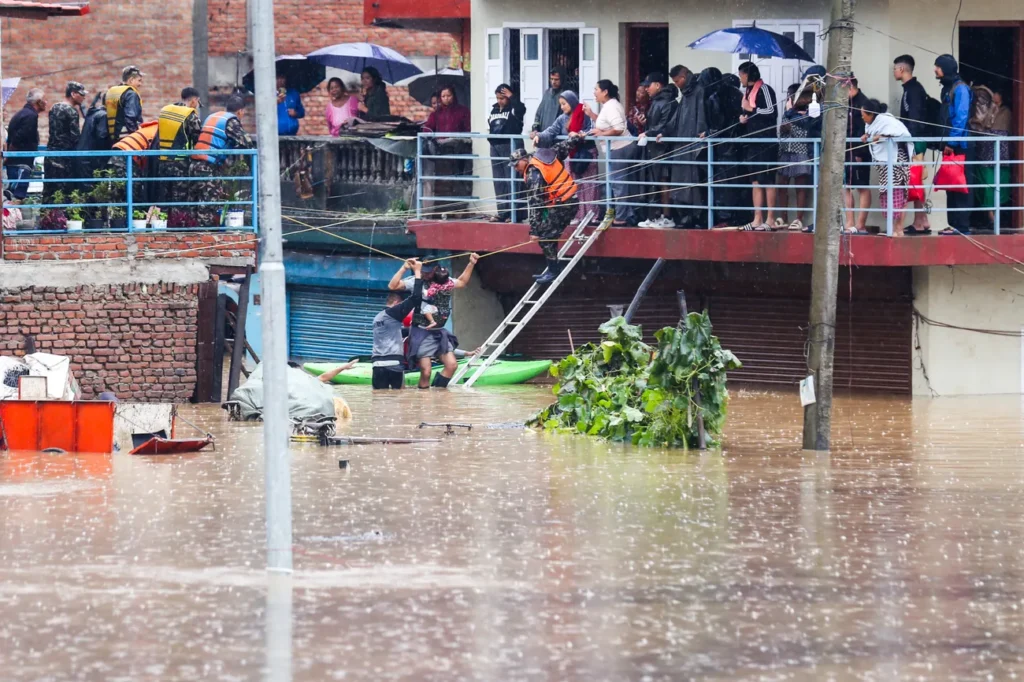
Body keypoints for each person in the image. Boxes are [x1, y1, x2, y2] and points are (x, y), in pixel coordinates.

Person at [389, 255, 480, 389]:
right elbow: (392, 286)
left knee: (452, 365)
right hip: (421, 331)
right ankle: (424, 400)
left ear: (436, 269)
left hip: (439, 331)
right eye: (423, 269)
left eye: (429, 270)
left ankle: (438, 394)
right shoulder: (416, 281)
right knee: (426, 372)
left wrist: (471, 263)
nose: (425, 272)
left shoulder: (446, 282)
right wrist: (404, 267)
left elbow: (462, 282)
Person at [510, 132, 585, 284]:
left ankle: (553, 271)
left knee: (545, 236)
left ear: (524, 160)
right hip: (569, 201)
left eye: (516, 165)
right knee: (550, 232)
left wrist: (534, 231)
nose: (515, 169)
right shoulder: (545, 155)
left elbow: (535, 203)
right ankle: (553, 267)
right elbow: (564, 146)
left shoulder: (533, 174)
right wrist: (578, 137)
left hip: (564, 205)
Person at [533, 90, 596, 224]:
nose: (562, 107)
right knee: (572, 187)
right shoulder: (562, 118)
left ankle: (591, 215)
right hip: (571, 154)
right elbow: (551, 131)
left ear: (572, 102)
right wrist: (539, 136)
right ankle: (577, 215)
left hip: (587, 154)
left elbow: (592, 129)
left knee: (589, 185)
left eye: (564, 104)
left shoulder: (584, 114)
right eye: (561, 104)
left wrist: (579, 134)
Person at [190, 95, 255, 226]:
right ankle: (204, 234)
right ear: (240, 111)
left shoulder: (213, 116)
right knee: (209, 202)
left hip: (195, 163)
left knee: (195, 201)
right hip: (207, 166)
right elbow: (246, 143)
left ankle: (193, 231)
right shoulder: (232, 121)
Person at [584, 80, 635, 226]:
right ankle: (626, 214)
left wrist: (601, 133)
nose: (594, 92)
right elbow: (606, 124)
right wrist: (591, 114)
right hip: (618, 148)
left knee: (618, 184)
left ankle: (621, 218)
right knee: (618, 184)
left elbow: (618, 129)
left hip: (619, 148)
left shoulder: (611, 106)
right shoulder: (609, 105)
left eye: (596, 89)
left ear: (605, 92)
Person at [738, 62, 779, 231]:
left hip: (766, 142)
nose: (740, 77)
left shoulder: (765, 90)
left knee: (767, 180)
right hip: (752, 142)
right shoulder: (747, 92)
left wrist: (751, 110)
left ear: (748, 75)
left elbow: (771, 111)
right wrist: (744, 116)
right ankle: (757, 217)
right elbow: (750, 111)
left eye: (741, 74)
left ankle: (770, 218)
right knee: (755, 180)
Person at [860, 99, 912, 236]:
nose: (862, 117)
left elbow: (900, 133)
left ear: (871, 114)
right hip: (885, 165)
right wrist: (868, 136)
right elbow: (874, 133)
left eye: (863, 114)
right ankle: (892, 228)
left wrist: (882, 136)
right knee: (888, 194)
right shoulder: (872, 124)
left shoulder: (886, 121)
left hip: (897, 162)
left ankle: (898, 228)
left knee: (898, 194)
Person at [934, 54, 972, 235]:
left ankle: (962, 226)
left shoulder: (961, 89)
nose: (935, 70)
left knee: (961, 185)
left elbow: (961, 117)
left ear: (946, 68)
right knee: (951, 184)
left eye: (938, 67)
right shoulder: (949, 87)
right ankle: (953, 224)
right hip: (950, 145)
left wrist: (951, 141)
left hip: (960, 145)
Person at [371, 259, 424, 390]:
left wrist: (404, 268)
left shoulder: (378, 318)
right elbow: (416, 297)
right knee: (399, 400)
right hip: (394, 363)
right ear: (396, 303)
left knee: (379, 401)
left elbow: (400, 332)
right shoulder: (394, 312)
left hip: (377, 364)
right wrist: (417, 271)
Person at [893, 54, 931, 234]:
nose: (894, 72)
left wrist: (909, 140)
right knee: (915, 179)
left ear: (901, 69)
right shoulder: (911, 89)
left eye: (895, 68)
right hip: (915, 139)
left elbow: (915, 119)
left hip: (915, 140)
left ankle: (920, 220)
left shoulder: (913, 90)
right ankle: (922, 220)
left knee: (915, 179)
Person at [637, 72, 679, 228]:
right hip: (654, 148)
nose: (646, 88)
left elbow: (666, 125)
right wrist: (646, 123)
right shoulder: (657, 101)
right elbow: (658, 123)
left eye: (649, 85)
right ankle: (655, 216)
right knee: (655, 182)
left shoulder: (668, 102)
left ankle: (666, 217)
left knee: (663, 182)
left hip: (663, 149)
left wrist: (648, 132)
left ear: (658, 85)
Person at [423, 85, 472, 214]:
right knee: (443, 181)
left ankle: (460, 208)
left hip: (459, 150)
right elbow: (427, 129)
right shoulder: (436, 114)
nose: (446, 99)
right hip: (442, 152)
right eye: (443, 96)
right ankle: (444, 208)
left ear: (453, 96)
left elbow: (468, 129)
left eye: (448, 96)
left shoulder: (463, 111)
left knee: (458, 180)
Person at [669, 69, 708, 229]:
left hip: (692, 144)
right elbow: (676, 120)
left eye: (677, 81)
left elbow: (701, 117)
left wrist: (700, 136)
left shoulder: (698, 91)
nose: (676, 85)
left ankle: (694, 215)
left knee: (693, 181)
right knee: (682, 181)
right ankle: (686, 214)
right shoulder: (686, 93)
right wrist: (659, 132)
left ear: (684, 77)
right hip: (682, 144)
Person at [777, 84, 818, 232]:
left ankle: (798, 219)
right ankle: (783, 218)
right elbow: (782, 129)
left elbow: (806, 131)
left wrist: (791, 123)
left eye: (791, 95)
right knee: (781, 185)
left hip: (801, 151)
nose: (789, 98)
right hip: (785, 151)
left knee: (800, 186)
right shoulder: (788, 111)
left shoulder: (810, 110)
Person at [971, 86, 1012, 230]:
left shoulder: (1007, 112)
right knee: (987, 184)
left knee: (1001, 184)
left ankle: (998, 217)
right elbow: (984, 124)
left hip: (1002, 152)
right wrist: (992, 107)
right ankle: (991, 218)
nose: (994, 95)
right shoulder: (986, 108)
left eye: (997, 92)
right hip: (986, 151)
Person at [155, 90, 203, 209]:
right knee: (179, 199)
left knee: (164, 198)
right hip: (180, 163)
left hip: (163, 161)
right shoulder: (190, 114)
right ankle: (176, 226)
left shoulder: (166, 111)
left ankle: (162, 224)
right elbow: (198, 138)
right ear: (194, 100)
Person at [487, 84, 527, 223]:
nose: (500, 101)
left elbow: (522, 109)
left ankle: (516, 213)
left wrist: (512, 97)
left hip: (511, 145)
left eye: (503, 98)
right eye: (498, 98)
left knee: (513, 180)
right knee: (499, 180)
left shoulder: (515, 108)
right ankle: (503, 212)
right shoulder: (494, 109)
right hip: (495, 146)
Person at [44, 82, 87, 202]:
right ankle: (62, 219)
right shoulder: (72, 111)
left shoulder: (54, 107)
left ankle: (47, 217)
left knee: (49, 190)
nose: (84, 97)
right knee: (65, 191)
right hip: (65, 157)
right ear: (73, 94)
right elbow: (75, 137)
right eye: (81, 94)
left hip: (51, 153)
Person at [5, 88, 46, 202]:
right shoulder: (30, 116)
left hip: (16, 161)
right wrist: (13, 150)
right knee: (16, 196)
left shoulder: (22, 113)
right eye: (44, 99)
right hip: (21, 162)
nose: (46, 102)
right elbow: (19, 136)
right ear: (38, 102)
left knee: (13, 194)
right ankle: (10, 219)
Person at [841, 77, 871, 234]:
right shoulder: (844, 103)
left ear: (851, 87)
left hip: (860, 151)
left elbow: (865, 130)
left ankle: (860, 224)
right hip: (845, 149)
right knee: (845, 186)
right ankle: (849, 222)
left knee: (862, 186)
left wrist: (860, 152)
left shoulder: (864, 103)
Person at [105, 66, 144, 143]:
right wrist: (136, 136)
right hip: (127, 138)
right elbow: (131, 118)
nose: (140, 84)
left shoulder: (115, 92)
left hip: (114, 137)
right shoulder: (131, 94)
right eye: (139, 80)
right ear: (131, 80)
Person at [532, 67, 567, 133]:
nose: (553, 82)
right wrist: (535, 129)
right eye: (551, 79)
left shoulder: (567, 95)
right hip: (544, 136)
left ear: (562, 79)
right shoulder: (547, 93)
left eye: (556, 79)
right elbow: (538, 114)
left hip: (559, 137)